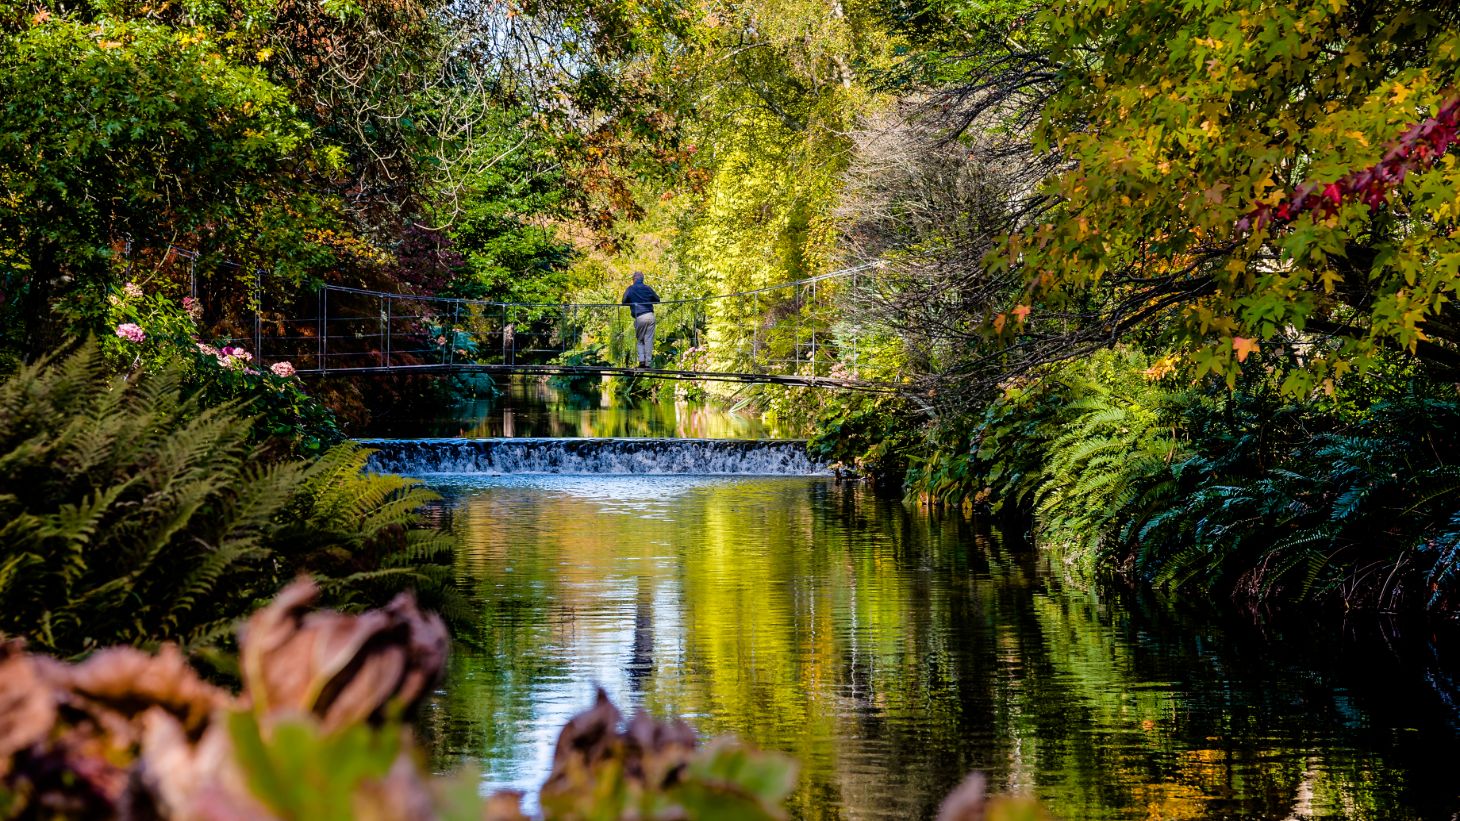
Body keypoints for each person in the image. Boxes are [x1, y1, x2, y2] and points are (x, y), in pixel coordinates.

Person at [621, 271, 660, 368]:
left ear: (634, 279)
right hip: (650, 315)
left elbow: (624, 301)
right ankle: (648, 363)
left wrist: (633, 301)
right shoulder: (647, 288)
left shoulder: (630, 289)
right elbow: (657, 299)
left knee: (640, 340)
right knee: (648, 340)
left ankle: (642, 361)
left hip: (640, 316)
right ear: (642, 279)